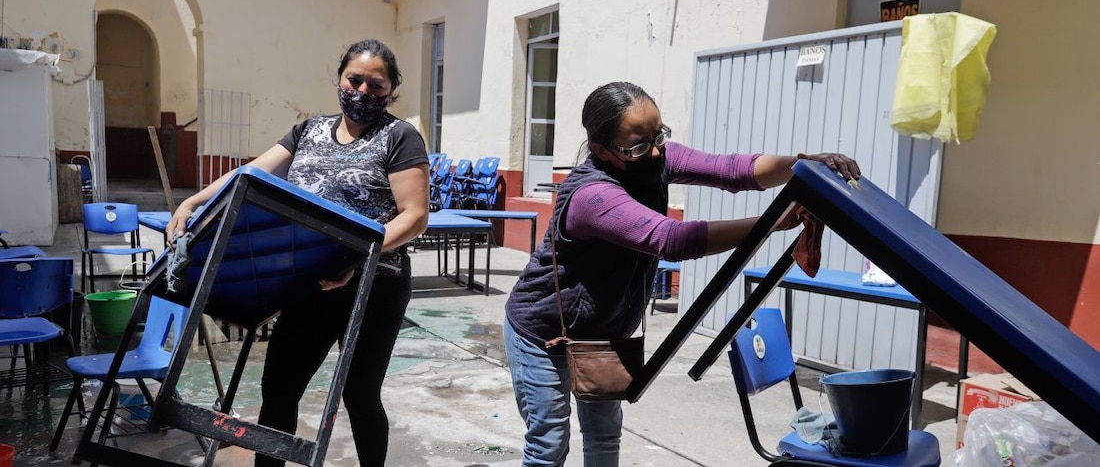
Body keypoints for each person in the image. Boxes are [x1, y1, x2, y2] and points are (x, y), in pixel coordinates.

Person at [502, 81, 860, 466]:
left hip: (604, 332)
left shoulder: (657, 160)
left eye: (659, 134)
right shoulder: (593, 197)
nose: (655, 150)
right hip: (543, 333)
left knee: (604, 437)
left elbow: (732, 170)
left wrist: (803, 165)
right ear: (601, 150)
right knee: (549, 443)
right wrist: (771, 222)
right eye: (638, 145)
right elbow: (672, 239)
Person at [165, 38, 430, 467]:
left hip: (373, 285)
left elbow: (414, 217)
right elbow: (249, 174)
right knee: (280, 389)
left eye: (376, 86)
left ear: (391, 91)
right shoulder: (308, 131)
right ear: (340, 79)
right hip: (310, 281)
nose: (362, 92)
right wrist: (194, 202)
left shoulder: (399, 136)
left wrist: (358, 258)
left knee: (359, 392)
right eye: (354, 80)